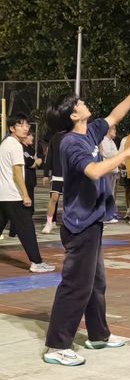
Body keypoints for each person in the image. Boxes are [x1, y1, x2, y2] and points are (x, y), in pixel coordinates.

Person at [43, 71, 130, 367]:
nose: (84, 103)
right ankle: (57, 345)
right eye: (79, 103)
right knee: (76, 285)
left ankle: (98, 335)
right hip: (79, 225)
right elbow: (94, 171)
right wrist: (128, 153)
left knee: (96, 284)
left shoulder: (90, 132)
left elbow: (114, 116)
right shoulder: (70, 143)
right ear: (73, 115)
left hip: (92, 222)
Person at [0, 115, 54, 274]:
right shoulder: (16, 146)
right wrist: (25, 194)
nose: (26, 128)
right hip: (14, 195)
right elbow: (17, 172)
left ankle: (37, 262)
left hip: (4, 194)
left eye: (26, 125)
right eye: (21, 125)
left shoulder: (5, 144)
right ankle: (36, 262)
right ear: (12, 128)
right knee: (27, 229)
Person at [8, 131, 42, 237]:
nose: (32, 138)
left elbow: (38, 162)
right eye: (30, 135)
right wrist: (36, 161)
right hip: (25, 182)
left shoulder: (30, 149)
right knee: (25, 208)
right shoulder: (21, 148)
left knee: (27, 208)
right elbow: (31, 163)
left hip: (30, 182)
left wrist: (37, 161)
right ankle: (20, 230)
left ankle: (15, 230)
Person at [42, 131, 64, 233]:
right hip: (57, 172)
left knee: (69, 200)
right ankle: (49, 222)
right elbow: (49, 155)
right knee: (54, 197)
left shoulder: (74, 134)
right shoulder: (55, 137)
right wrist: (46, 174)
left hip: (71, 173)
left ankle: (69, 221)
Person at [100, 126, 119, 223]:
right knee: (107, 193)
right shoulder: (104, 140)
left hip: (113, 170)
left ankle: (110, 213)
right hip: (107, 170)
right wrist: (118, 154)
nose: (115, 132)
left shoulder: (111, 142)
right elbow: (106, 153)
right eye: (114, 129)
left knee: (111, 193)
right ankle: (105, 215)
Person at [118, 136, 130, 219]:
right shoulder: (124, 139)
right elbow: (121, 153)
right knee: (127, 189)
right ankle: (128, 210)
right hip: (126, 167)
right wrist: (122, 164)